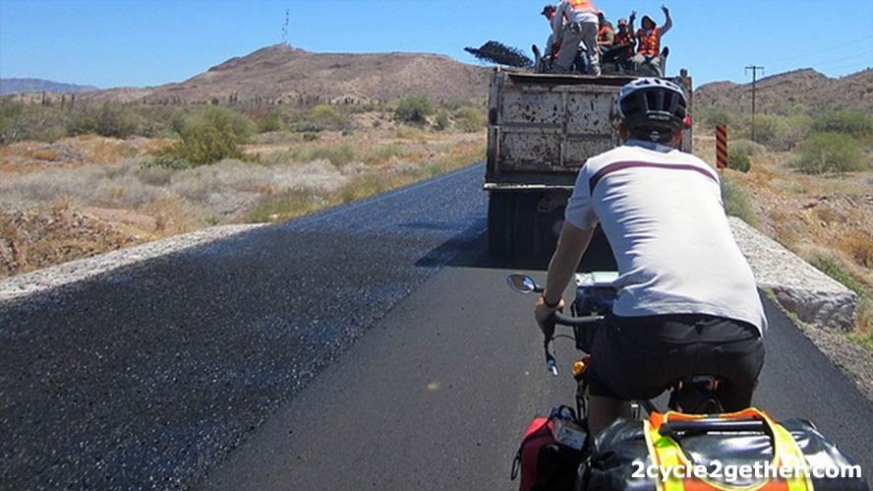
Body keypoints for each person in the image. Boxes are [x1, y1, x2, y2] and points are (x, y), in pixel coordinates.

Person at [534, 78, 767, 437]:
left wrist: (549, 303)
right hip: (742, 332)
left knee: (606, 384)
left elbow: (569, 251)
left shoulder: (600, 168)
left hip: (650, 331)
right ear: (679, 134)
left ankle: (605, 457)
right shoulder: (705, 172)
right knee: (731, 447)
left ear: (621, 128)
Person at [550, 0, 601, 76]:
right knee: (592, 47)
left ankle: (559, 71)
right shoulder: (585, 1)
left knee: (568, 48)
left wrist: (556, 40)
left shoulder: (563, 3)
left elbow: (557, 23)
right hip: (594, 21)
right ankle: (595, 71)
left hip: (577, 21)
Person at [629, 5, 672, 73]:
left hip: (654, 55)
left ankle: (659, 78)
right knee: (635, 61)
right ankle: (634, 77)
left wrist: (667, 14)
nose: (646, 23)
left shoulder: (658, 31)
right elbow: (631, 32)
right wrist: (631, 22)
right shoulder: (639, 32)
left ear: (651, 22)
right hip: (641, 54)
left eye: (647, 21)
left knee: (654, 64)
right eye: (644, 22)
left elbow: (668, 25)